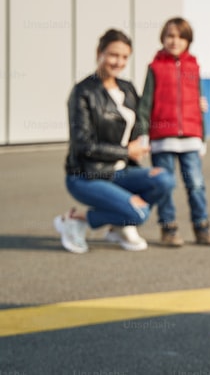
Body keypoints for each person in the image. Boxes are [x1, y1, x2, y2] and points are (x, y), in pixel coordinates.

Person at [54, 29, 175, 254]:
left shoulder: (127, 88)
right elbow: (84, 145)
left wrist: (191, 106)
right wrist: (125, 152)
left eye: (124, 57)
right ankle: (77, 221)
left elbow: (144, 118)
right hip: (87, 175)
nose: (118, 62)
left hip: (122, 172)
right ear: (99, 53)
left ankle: (119, 224)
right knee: (140, 213)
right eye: (113, 55)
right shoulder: (83, 92)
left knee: (165, 180)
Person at [137, 17, 210, 246]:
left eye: (181, 37)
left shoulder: (194, 67)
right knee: (166, 185)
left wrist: (202, 138)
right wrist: (143, 134)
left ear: (188, 41)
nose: (175, 41)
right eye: (170, 36)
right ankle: (168, 227)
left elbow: (198, 103)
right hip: (163, 138)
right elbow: (146, 103)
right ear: (162, 38)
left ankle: (202, 226)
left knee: (196, 184)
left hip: (191, 137)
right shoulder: (155, 68)